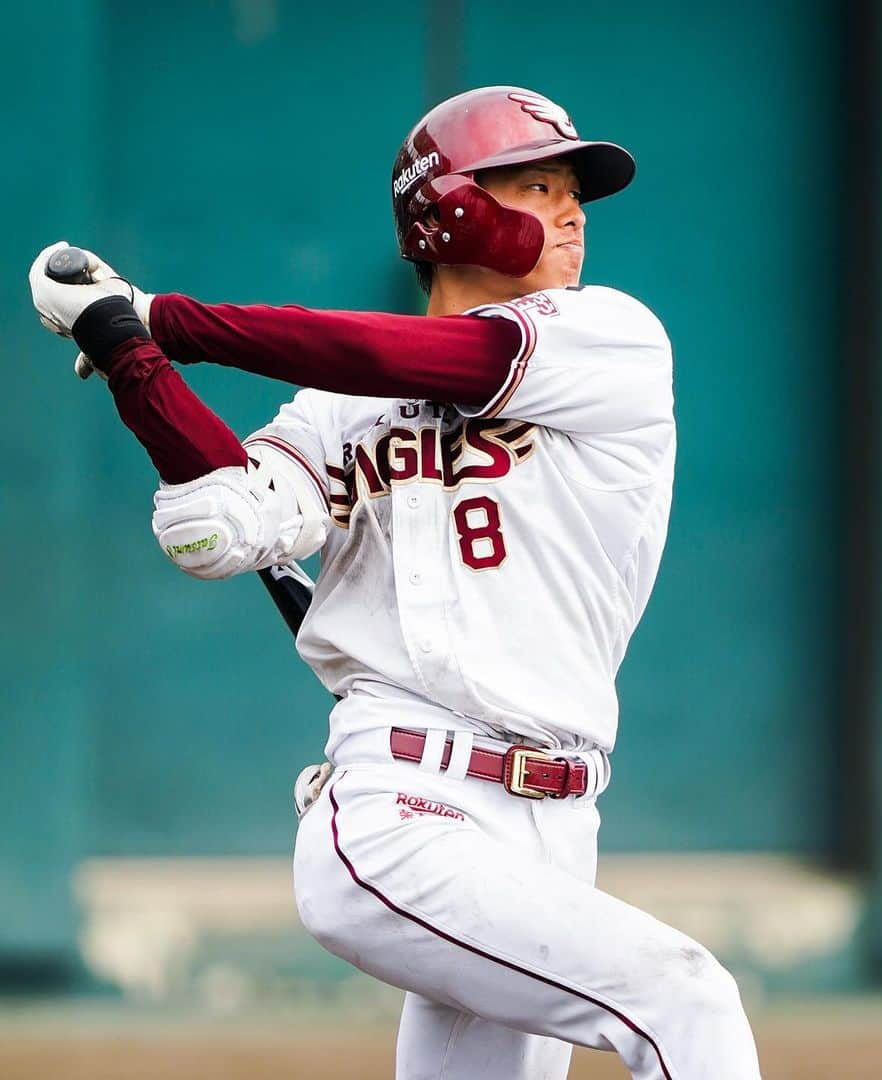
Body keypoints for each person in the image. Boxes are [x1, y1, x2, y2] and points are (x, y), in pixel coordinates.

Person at [30, 86, 760, 1080]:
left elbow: (424, 356)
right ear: (450, 206)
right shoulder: (334, 411)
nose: (574, 211)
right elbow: (212, 526)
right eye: (541, 185)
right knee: (683, 1000)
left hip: (555, 817)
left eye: (574, 191)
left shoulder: (612, 342)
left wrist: (166, 318)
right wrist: (130, 358)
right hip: (403, 807)